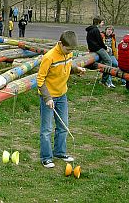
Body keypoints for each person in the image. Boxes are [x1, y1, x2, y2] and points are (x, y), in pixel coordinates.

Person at [37, 30, 86, 168]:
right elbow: (40, 79)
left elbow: (68, 66)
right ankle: (46, 157)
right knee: (46, 129)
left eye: (71, 50)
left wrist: (77, 70)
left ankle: (59, 152)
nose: (69, 52)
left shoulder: (68, 53)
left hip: (62, 94)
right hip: (49, 97)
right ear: (60, 44)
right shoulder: (49, 57)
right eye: (68, 49)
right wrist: (47, 97)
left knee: (63, 126)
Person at [86, 17, 114, 88]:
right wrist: (105, 48)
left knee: (109, 51)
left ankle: (103, 64)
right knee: (109, 61)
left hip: (93, 48)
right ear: (98, 22)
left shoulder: (90, 29)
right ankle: (104, 80)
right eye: (102, 22)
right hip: (97, 48)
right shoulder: (96, 30)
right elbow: (100, 41)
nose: (103, 23)